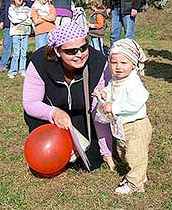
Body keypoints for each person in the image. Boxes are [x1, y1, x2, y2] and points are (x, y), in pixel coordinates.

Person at [22, 22, 114, 171]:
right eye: (71, 51)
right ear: (57, 51)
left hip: (83, 115)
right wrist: (54, 113)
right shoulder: (39, 62)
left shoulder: (98, 62)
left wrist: (106, 149)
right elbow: (31, 103)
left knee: (91, 162)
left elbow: (100, 108)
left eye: (83, 48)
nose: (79, 54)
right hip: (49, 117)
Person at [97, 39, 151, 194]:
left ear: (133, 64)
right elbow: (111, 88)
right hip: (122, 125)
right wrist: (105, 93)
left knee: (136, 155)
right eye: (114, 62)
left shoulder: (133, 81)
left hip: (136, 125)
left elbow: (137, 101)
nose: (118, 67)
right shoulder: (117, 79)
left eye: (124, 62)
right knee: (123, 152)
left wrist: (114, 106)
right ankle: (139, 175)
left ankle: (135, 184)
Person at [0, 0, 32, 73]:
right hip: (9, 23)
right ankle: (3, 64)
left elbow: (30, 6)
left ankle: (21, 66)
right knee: (7, 44)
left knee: (21, 46)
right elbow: (3, 8)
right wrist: (1, 20)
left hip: (21, 25)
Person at [7, 0, 33, 78]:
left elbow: (30, 21)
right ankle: (12, 71)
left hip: (25, 32)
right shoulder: (11, 8)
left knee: (24, 53)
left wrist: (21, 19)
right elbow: (14, 20)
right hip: (15, 33)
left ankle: (22, 69)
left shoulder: (28, 9)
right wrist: (24, 17)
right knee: (16, 53)